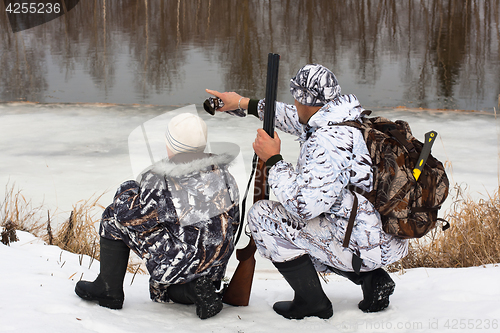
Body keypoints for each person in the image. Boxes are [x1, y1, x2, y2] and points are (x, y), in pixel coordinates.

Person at [206, 64, 408, 320]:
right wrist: (242, 103)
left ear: (304, 99)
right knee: (313, 227)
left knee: (263, 218)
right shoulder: (342, 118)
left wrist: (274, 160)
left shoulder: (326, 143)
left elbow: (302, 205)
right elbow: (292, 117)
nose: (294, 102)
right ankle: (372, 279)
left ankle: (311, 302)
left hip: (363, 245)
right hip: (375, 235)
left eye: (296, 97)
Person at [75, 113, 240, 319]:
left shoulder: (162, 180)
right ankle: (197, 288)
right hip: (214, 265)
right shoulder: (224, 174)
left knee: (112, 217)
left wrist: (128, 188)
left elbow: (128, 216)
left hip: (184, 261)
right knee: (159, 289)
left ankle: (108, 290)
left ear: (170, 145)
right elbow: (234, 220)